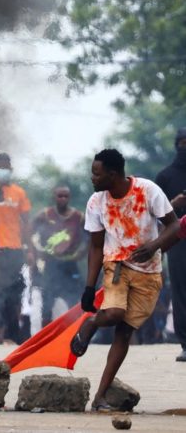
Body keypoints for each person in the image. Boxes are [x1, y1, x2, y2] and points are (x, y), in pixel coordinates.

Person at [70, 149, 177, 411]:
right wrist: (88, 286)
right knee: (115, 312)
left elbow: (174, 225)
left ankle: (100, 397)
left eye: (97, 173)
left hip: (149, 271)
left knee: (124, 333)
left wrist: (154, 246)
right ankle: (92, 323)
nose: (92, 178)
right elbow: (96, 247)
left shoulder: (147, 190)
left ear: (112, 174)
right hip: (115, 264)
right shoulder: (96, 202)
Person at [0, 153, 34, 344]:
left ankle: (10, 331)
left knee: (14, 292)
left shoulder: (19, 193)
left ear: (10, 170)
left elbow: (26, 222)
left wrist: (29, 248)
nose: (3, 170)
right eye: (0, 167)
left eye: (6, 167)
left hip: (15, 249)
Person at [32, 185, 86, 326]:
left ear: (69, 197)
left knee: (74, 302)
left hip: (70, 264)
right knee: (47, 302)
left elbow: (92, 237)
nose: (63, 199)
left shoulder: (78, 217)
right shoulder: (45, 215)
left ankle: (74, 333)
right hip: (51, 264)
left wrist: (82, 252)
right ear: (54, 197)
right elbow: (29, 232)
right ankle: (46, 336)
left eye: (65, 196)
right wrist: (36, 251)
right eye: (59, 196)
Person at [155, 128, 186, 360]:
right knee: (181, 290)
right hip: (178, 240)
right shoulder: (165, 177)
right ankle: (185, 342)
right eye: (184, 143)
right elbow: (154, 216)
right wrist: (174, 204)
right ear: (178, 145)